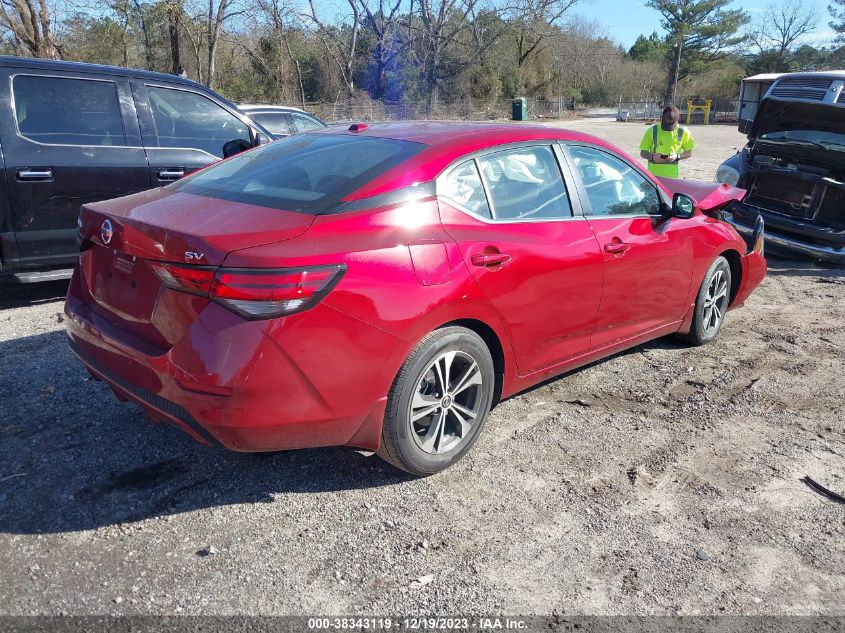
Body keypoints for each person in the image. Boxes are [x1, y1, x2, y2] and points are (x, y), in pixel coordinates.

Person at [639, 106, 694, 178]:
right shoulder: (652, 131)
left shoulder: (684, 132)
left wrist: (677, 156)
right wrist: (652, 157)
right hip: (653, 177)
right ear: (661, 119)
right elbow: (643, 152)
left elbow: (689, 153)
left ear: (678, 119)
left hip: (672, 178)